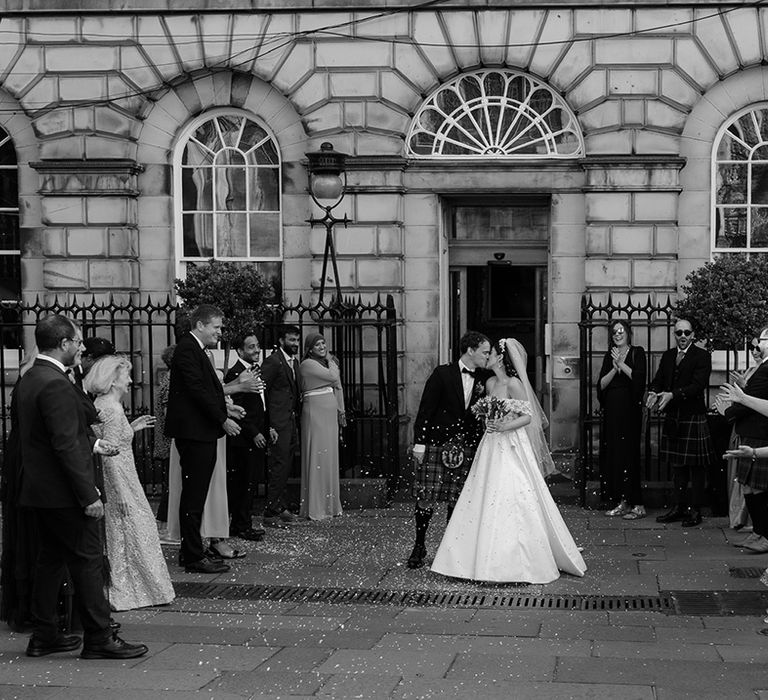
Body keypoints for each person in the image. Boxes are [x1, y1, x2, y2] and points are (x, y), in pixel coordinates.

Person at [16, 314, 147, 659]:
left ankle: (44, 634)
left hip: (39, 490)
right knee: (87, 560)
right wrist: (88, 494)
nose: (81, 347)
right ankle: (99, 637)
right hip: (64, 493)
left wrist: (93, 445)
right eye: (76, 341)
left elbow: (45, 438)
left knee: (49, 561)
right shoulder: (56, 383)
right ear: (63, 344)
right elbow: (62, 445)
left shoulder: (30, 378)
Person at [431, 339, 586, 584]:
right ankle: (472, 559)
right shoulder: (490, 383)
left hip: (511, 444)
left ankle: (517, 558)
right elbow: (485, 412)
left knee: (514, 494)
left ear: (500, 357)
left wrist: (505, 425)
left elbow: (528, 416)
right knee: (481, 494)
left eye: (489, 353)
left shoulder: (513, 384)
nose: (486, 357)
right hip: (490, 444)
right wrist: (487, 422)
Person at [84, 355, 175, 611]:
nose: (131, 381)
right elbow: (110, 455)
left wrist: (131, 428)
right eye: (126, 376)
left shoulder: (106, 405)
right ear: (113, 380)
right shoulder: (110, 409)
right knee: (134, 530)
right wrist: (121, 492)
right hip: (121, 479)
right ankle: (130, 590)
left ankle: (134, 588)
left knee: (128, 531)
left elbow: (112, 442)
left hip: (124, 475)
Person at [165, 304, 241, 574]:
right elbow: (197, 391)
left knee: (196, 495)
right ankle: (194, 556)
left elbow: (206, 390)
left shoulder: (195, 349)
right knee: (194, 497)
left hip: (199, 432)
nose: (219, 332)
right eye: (216, 327)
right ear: (200, 325)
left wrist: (227, 408)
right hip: (195, 433)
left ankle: (191, 552)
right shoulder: (188, 349)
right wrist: (223, 419)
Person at [407, 330, 491, 570]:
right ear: (470, 350)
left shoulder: (486, 377)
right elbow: (426, 410)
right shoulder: (442, 374)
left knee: (458, 500)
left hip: (466, 446)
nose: (487, 356)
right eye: (484, 351)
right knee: (426, 497)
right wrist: (419, 443)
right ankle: (419, 545)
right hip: (436, 444)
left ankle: (450, 550)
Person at [648, 318, 715, 528]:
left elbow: (698, 386)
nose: (683, 336)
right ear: (674, 335)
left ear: (693, 334)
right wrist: (653, 392)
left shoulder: (702, 356)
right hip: (673, 418)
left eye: (687, 332)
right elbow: (658, 379)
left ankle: (695, 510)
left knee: (695, 468)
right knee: (677, 467)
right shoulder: (668, 356)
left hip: (693, 416)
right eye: (679, 333)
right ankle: (678, 507)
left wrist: (672, 395)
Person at [223, 332, 274, 541]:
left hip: (259, 432)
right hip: (242, 438)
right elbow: (237, 409)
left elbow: (262, 404)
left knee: (251, 482)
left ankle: (242, 523)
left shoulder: (257, 371)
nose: (256, 350)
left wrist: (269, 427)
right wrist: (254, 433)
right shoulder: (234, 375)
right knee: (243, 483)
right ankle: (241, 525)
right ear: (240, 351)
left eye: (258, 346)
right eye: (251, 347)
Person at [722, 326, 768, 553]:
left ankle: (764, 535)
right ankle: (759, 532)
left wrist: (727, 412)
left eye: (763, 340)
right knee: (748, 486)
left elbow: (753, 399)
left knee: (758, 488)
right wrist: (744, 388)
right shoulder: (762, 367)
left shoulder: (767, 368)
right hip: (751, 433)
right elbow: (754, 395)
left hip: (760, 434)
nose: (758, 346)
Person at [597, 320, 647, 520]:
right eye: (614, 332)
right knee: (615, 455)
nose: (617, 335)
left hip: (629, 412)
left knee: (630, 454)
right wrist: (613, 367)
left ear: (628, 333)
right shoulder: (608, 356)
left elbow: (639, 379)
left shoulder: (638, 352)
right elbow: (600, 384)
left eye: (621, 331)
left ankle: (638, 504)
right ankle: (622, 501)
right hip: (612, 412)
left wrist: (622, 364)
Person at [299, 333, 347, 520]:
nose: (322, 346)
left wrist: (340, 410)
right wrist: (331, 361)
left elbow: (336, 384)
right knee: (317, 456)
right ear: (309, 349)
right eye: (317, 344)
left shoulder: (324, 363)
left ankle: (330, 505)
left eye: (323, 343)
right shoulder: (307, 365)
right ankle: (316, 507)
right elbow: (333, 377)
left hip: (328, 415)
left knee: (329, 458)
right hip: (315, 414)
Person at [261, 324, 302, 528]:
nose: (295, 344)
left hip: (290, 421)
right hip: (277, 423)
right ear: (281, 341)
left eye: (297, 340)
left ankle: (281, 506)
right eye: (291, 340)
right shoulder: (273, 362)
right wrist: (268, 425)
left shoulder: (293, 363)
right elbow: (262, 392)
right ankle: (270, 512)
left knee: (286, 465)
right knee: (278, 466)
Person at [153, 344, 175, 540]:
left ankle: (165, 524)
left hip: (167, 440)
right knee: (170, 484)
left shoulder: (169, 380)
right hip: (170, 442)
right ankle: (164, 525)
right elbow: (170, 416)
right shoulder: (171, 382)